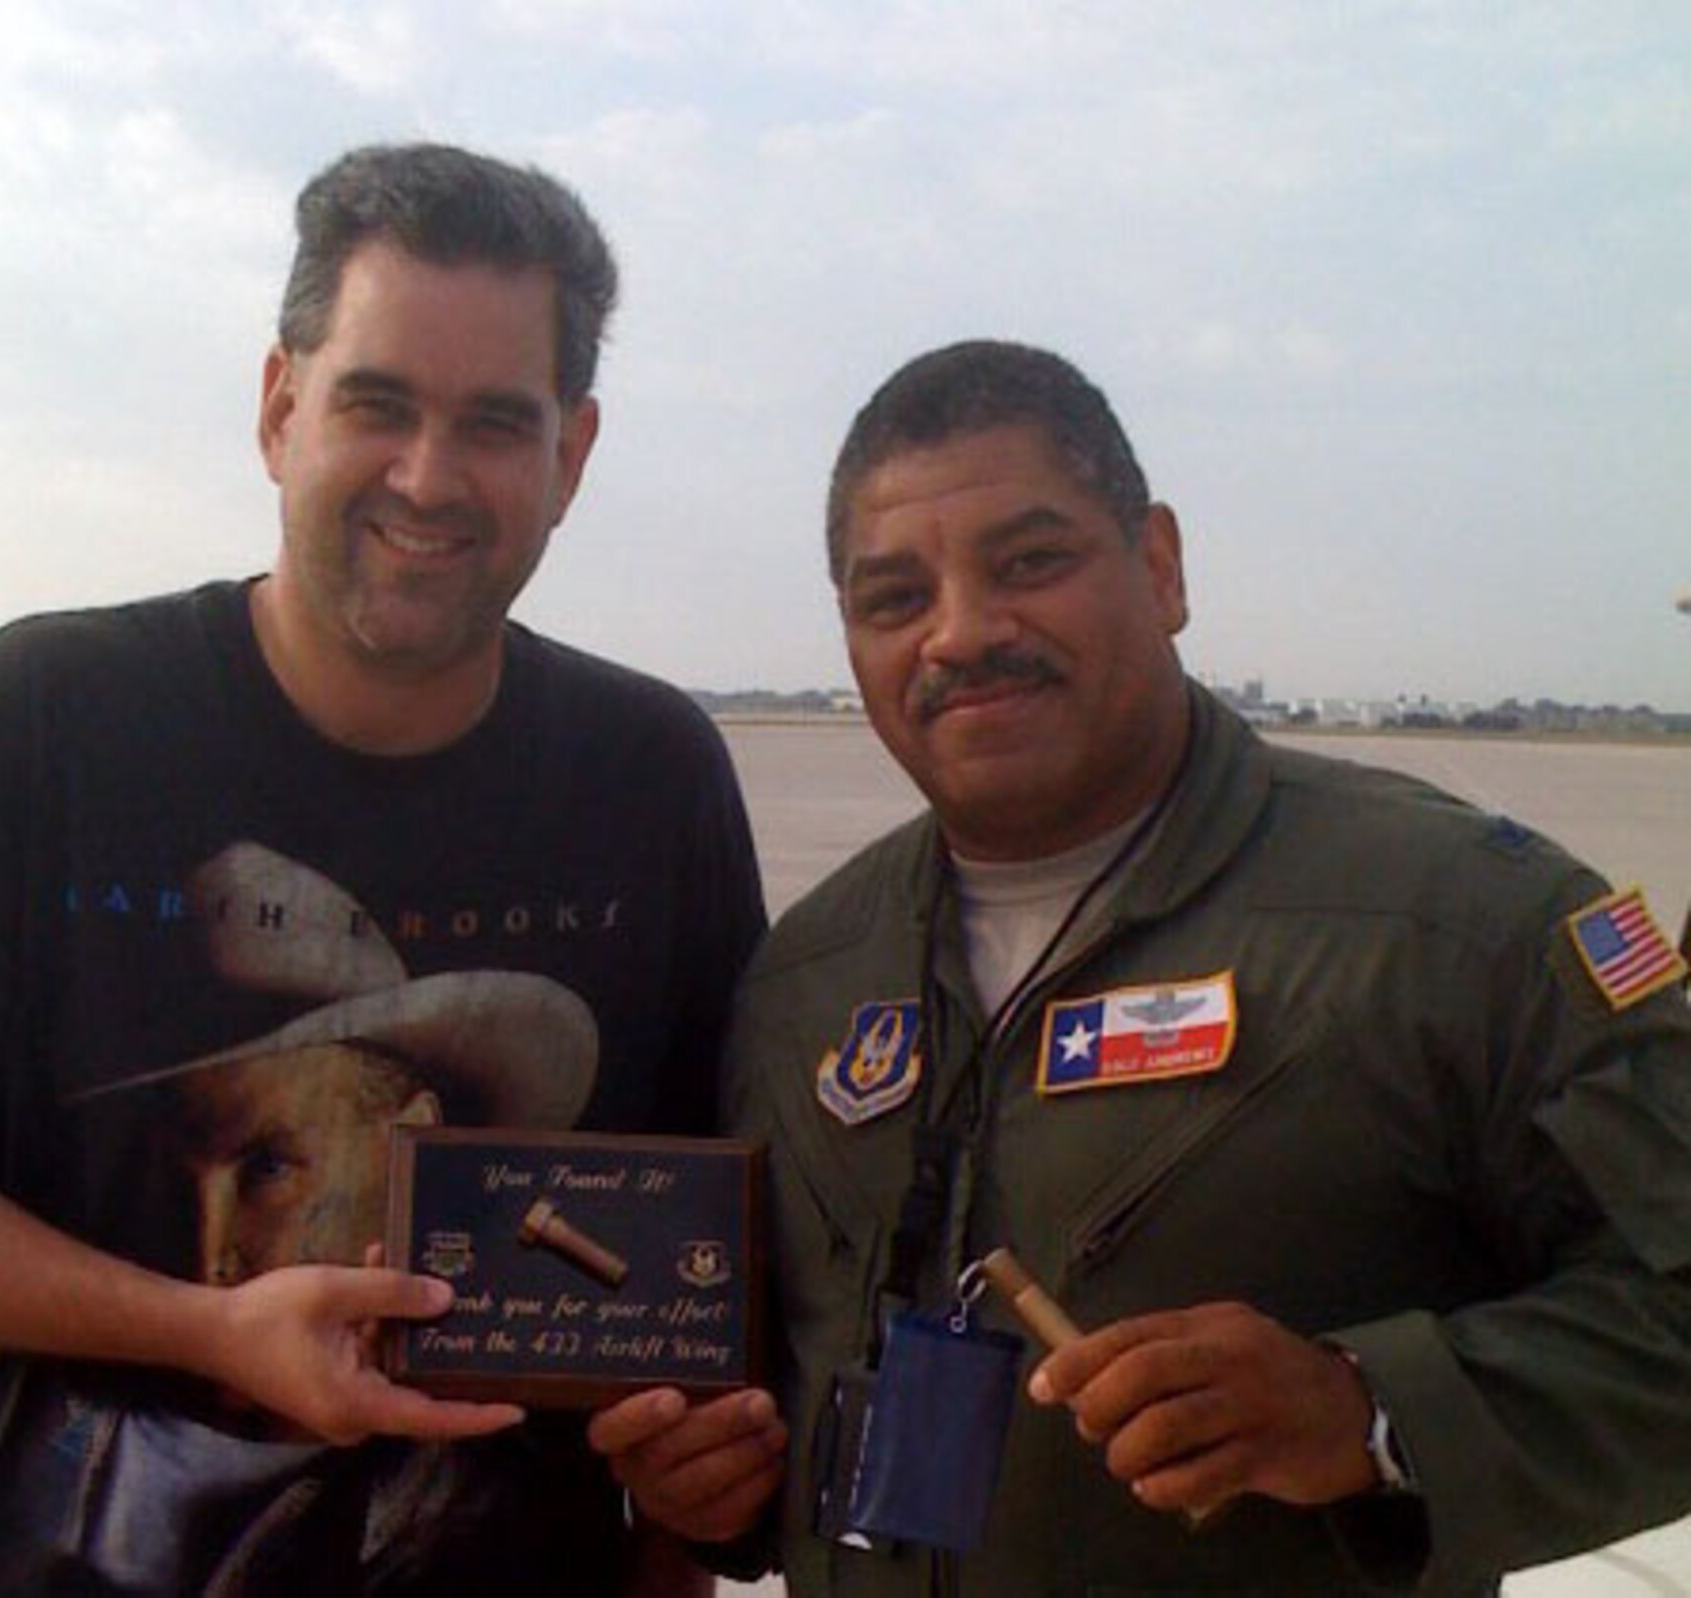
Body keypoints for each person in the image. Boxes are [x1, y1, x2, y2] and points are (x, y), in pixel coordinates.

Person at [0, 142, 766, 1596]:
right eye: (377, 405)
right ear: (281, 408)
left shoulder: (650, 774)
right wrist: (202, 1327)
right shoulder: (45, 716)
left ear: (570, 456)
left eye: (492, 424)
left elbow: (698, 1271)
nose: (426, 476)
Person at [639, 339, 1691, 1594]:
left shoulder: (1461, 927)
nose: (961, 632)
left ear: (1158, 566)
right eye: (892, 597)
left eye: (1029, 562)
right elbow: (787, 1381)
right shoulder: (805, 978)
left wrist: (1363, 1412)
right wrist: (721, 1488)